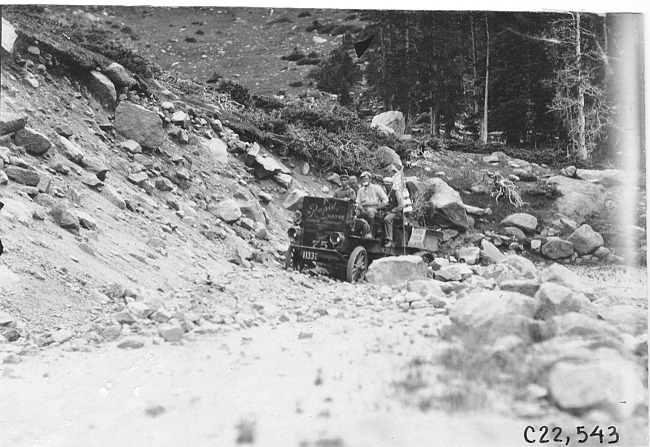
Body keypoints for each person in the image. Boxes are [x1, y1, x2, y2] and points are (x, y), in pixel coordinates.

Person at [356, 171, 388, 238]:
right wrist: (361, 208)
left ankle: (370, 232)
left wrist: (379, 207)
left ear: (370, 180)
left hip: (374, 208)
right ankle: (357, 231)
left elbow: (385, 199)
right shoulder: (360, 190)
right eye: (363, 179)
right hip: (363, 208)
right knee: (355, 213)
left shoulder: (376, 188)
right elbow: (358, 202)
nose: (364, 180)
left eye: (366, 179)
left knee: (370, 211)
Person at [383, 183, 405, 247]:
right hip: (388, 211)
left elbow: (401, 205)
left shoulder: (396, 193)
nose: (387, 187)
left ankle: (389, 240)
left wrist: (393, 210)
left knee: (387, 219)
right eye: (386, 185)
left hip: (396, 212)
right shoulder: (385, 193)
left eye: (389, 185)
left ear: (392, 185)